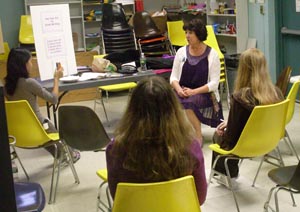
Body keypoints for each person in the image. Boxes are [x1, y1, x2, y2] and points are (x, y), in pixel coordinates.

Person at [106, 76, 207, 205]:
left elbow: (118, 197)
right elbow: (199, 198)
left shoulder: (116, 149)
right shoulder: (190, 146)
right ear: (173, 109)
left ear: (132, 110)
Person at [212, 48, 284, 179]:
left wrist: (224, 131)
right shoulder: (276, 93)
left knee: (218, 135)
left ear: (243, 69)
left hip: (245, 147)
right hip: (269, 143)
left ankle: (227, 174)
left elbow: (231, 138)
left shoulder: (241, 97)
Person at [4, 48, 80, 162]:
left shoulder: (5, 85)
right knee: (51, 129)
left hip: (19, 132)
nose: (32, 64)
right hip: (39, 127)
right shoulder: (29, 83)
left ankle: (59, 156)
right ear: (23, 65)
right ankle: (71, 155)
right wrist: (56, 79)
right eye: (30, 61)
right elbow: (54, 99)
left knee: (45, 134)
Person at [170, 18, 223, 146]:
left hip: (204, 93)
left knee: (189, 102)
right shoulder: (181, 52)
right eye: (186, 32)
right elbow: (173, 78)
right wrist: (179, 90)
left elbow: (214, 84)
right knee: (164, 99)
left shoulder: (212, 54)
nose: (187, 36)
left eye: (190, 33)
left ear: (199, 34)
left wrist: (193, 92)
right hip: (182, 90)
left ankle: (198, 135)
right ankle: (173, 135)